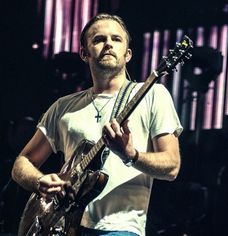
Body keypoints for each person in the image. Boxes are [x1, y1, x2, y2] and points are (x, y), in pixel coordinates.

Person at [11, 13, 183, 236]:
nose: (108, 44)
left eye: (116, 39)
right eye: (99, 39)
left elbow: (172, 166)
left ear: (128, 54)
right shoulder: (63, 107)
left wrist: (130, 154)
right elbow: (21, 163)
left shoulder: (152, 95)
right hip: (62, 227)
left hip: (120, 228)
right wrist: (39, 181)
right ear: (84, 53)